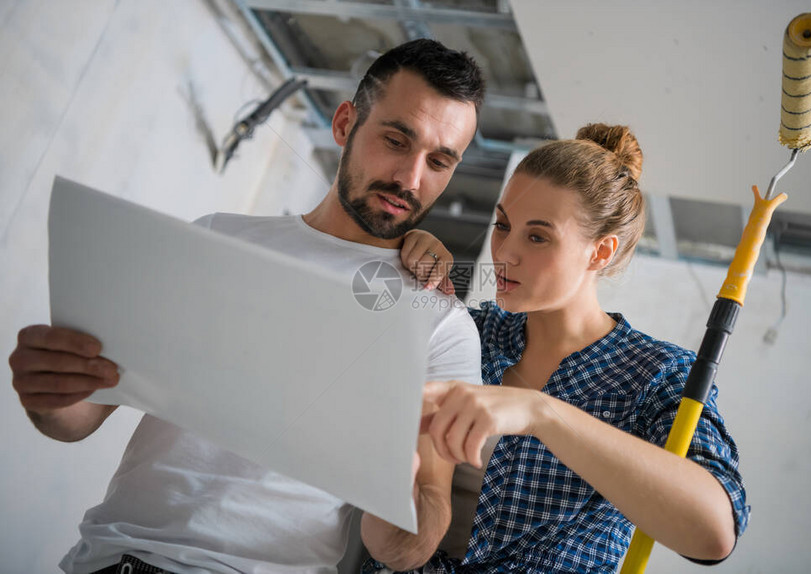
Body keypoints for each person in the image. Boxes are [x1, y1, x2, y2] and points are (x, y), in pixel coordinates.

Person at [8, 39, 486, 574]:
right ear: (345, 123)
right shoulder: (216, 238)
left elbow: (407, 544)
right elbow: (77, 419)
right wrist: (48, 390)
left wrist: (393, 491)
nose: (411, 178)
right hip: (107, 560)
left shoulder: (442, 324)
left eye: (439, 161)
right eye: (397, 140)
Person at [388, 124, 750, 572]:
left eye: (537, 237)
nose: (505, 253)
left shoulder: (657, 374)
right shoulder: (469, 332)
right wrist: (398, 255)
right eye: (503, 225)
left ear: (600, 253)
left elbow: (714, 532)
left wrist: (542, 413)